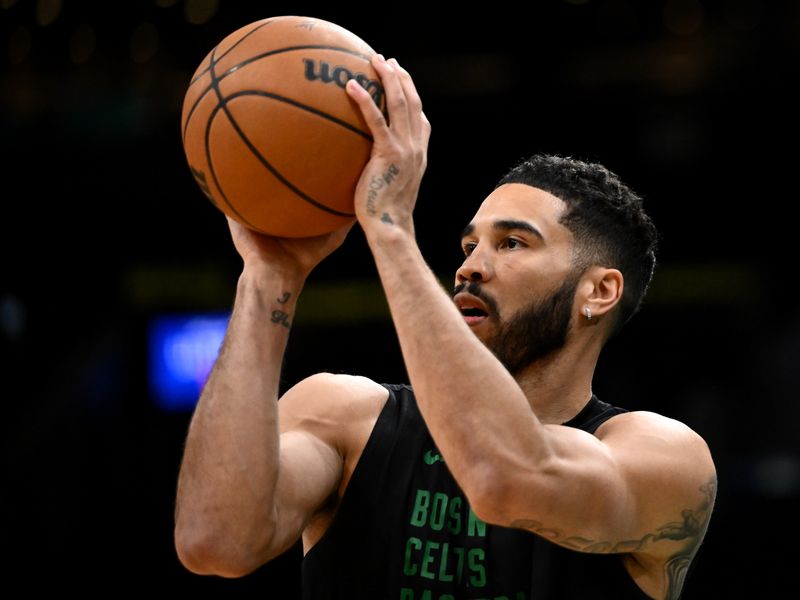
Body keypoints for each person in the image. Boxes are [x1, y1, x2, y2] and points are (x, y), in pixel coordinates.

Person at [173, 53, 716, 599]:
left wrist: (388, 228)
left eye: (512, 243)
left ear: (599, 292)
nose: (469, 266)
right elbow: (214, 541)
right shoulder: (346, 419)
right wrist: (267, 274)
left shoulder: (663, 458)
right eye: (468, 244)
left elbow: (502, 480)